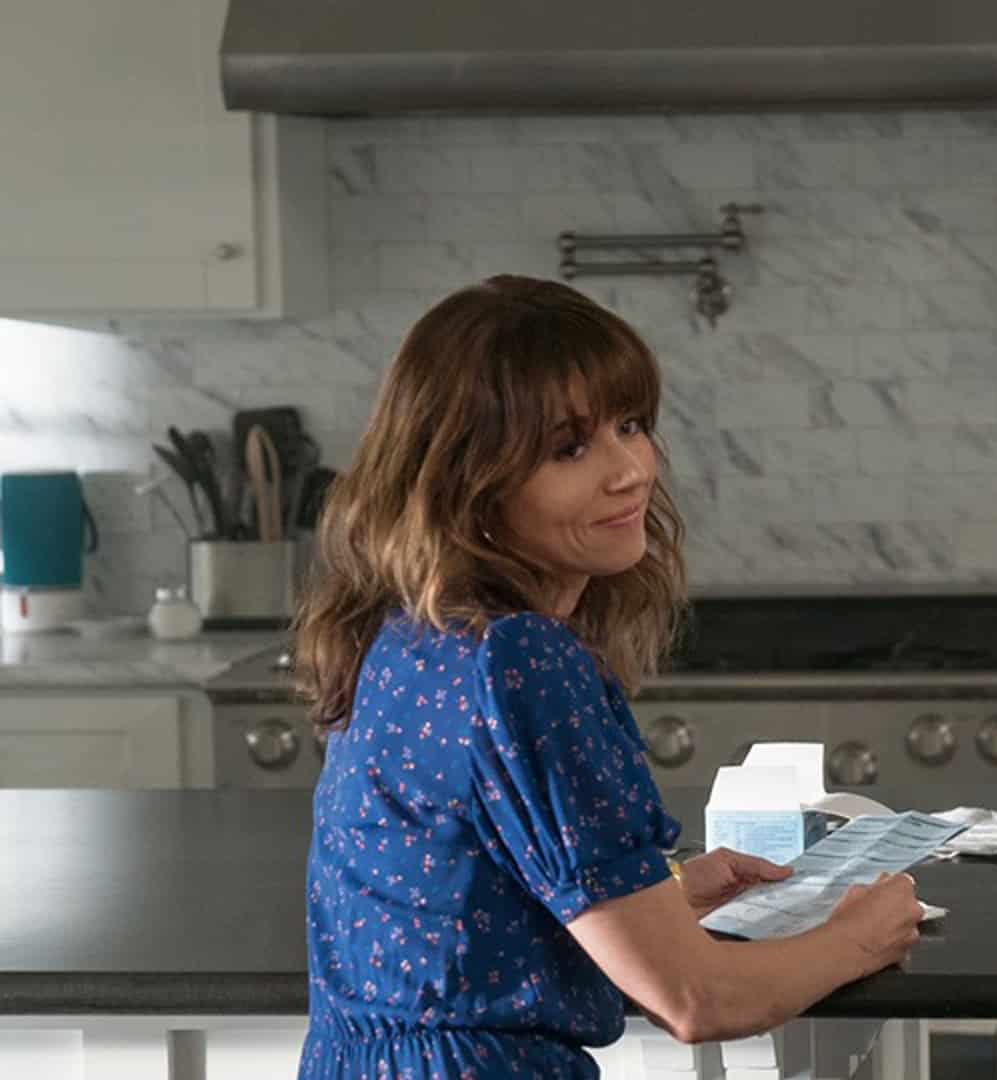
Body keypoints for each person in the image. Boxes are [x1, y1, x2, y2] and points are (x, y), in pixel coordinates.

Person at [291, 275, 923, 1079]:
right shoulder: (519, 660)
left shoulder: (407, 632)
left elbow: (449, 919)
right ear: (469, 482)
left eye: (630, 426)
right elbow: (696, 999)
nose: (630, 471)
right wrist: (859, 940)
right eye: (570, 449)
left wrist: (657, 898)